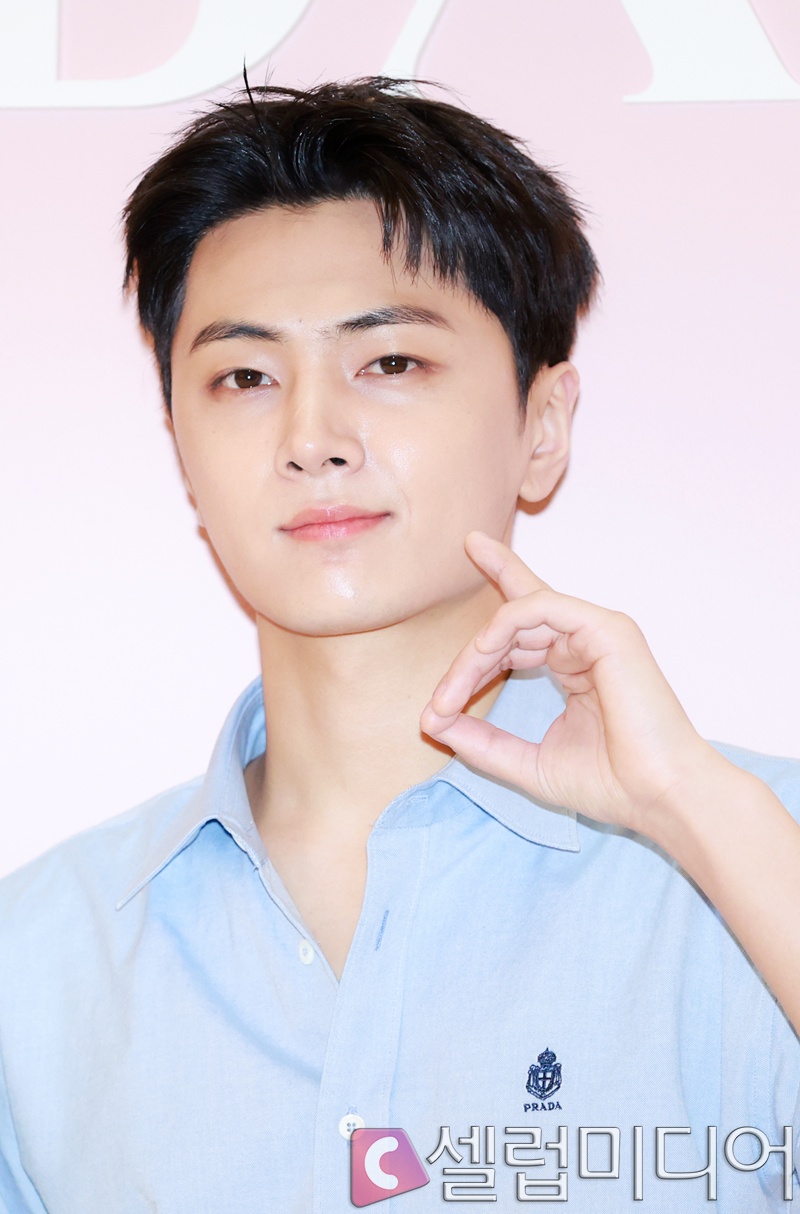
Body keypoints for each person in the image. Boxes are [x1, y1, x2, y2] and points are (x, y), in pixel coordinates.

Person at [0, 76, 797, 1213]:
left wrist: (694, 810)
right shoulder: (38, 959)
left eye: (389, 363)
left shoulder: (757, 847)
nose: (312, 438)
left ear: (542, 426)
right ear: (180, 447)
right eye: (243, 377)